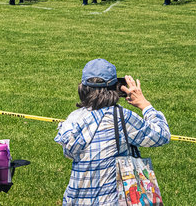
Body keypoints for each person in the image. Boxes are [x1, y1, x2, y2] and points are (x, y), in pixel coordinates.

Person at [55, 58, 171, 205]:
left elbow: (69, 153)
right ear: (116, 88)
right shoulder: (120, 117)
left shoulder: (74, 118)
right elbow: (161, 135)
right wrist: (145, 105)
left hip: (76, 200)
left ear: (83, 88)